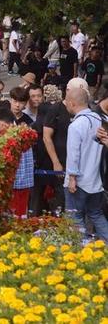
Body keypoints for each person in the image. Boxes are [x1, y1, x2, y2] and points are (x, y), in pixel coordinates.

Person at [63, 88, 108, 242]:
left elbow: (73, 154)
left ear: (72, 103)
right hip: (96, 181)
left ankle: (80, 250)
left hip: (79, 180)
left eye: (66, 101)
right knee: (96, 214)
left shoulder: (75, 126)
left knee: (75, 217)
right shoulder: (99, 119)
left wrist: (72, 177)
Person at [0, 107, 34, 217]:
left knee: (12, 217)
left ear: (1, 123)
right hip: (26, 183)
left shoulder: (6, 138)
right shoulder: (24, 134)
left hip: (12, 184)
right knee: (22, 215)